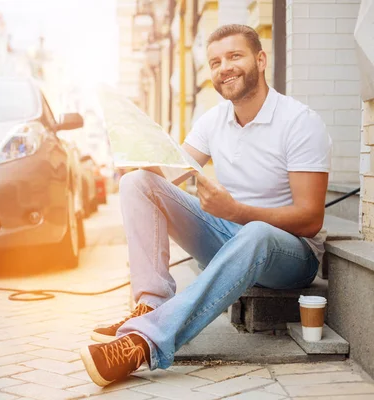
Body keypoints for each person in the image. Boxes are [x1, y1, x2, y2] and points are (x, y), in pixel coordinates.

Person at [80, 24, 332, 387]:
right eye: (215, 61)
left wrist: (238, 212)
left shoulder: (299, 122)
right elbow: (166, 177)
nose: (224, 67)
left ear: (260, 60)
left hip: (290, 254)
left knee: (257, 233)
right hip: (231, 235)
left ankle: (144, 343)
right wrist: (135, 148)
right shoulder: (213, 121)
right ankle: (150, 305)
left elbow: (310, 219)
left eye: (234, 56)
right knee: (137, 183)